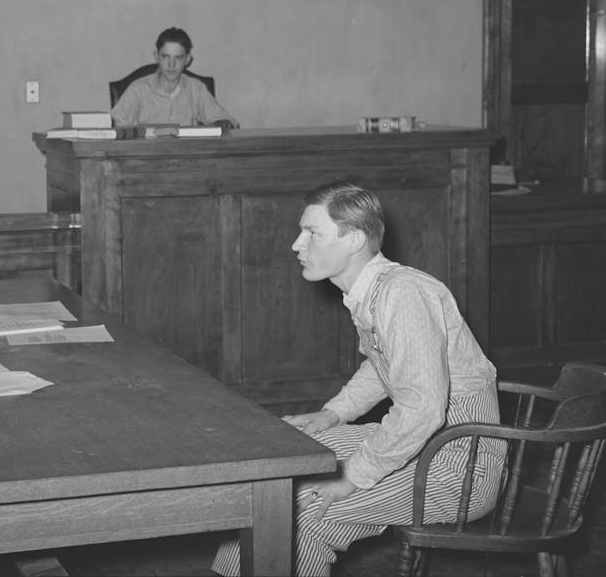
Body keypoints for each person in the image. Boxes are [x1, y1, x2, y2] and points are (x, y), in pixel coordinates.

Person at [212, 180, 504, 577]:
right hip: (428, 445)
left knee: (297, 509)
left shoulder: (402, 294)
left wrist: (354, 476)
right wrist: (333, 415)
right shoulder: (373, 291)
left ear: (353, 240)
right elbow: (383, 366)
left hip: (459, 465)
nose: (297, 245)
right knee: (278, 458)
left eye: (312, 233)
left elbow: (423, 408)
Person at [111, 27, 238, 129]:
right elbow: (115, 126)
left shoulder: (196, 88)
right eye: (165, 57)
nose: (171, 64)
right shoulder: (137, 90)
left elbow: (226, 122)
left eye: (178, 58)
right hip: (147, 157)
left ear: (187, 59)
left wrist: (222, 123)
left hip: (188, 157)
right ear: (156, 56)